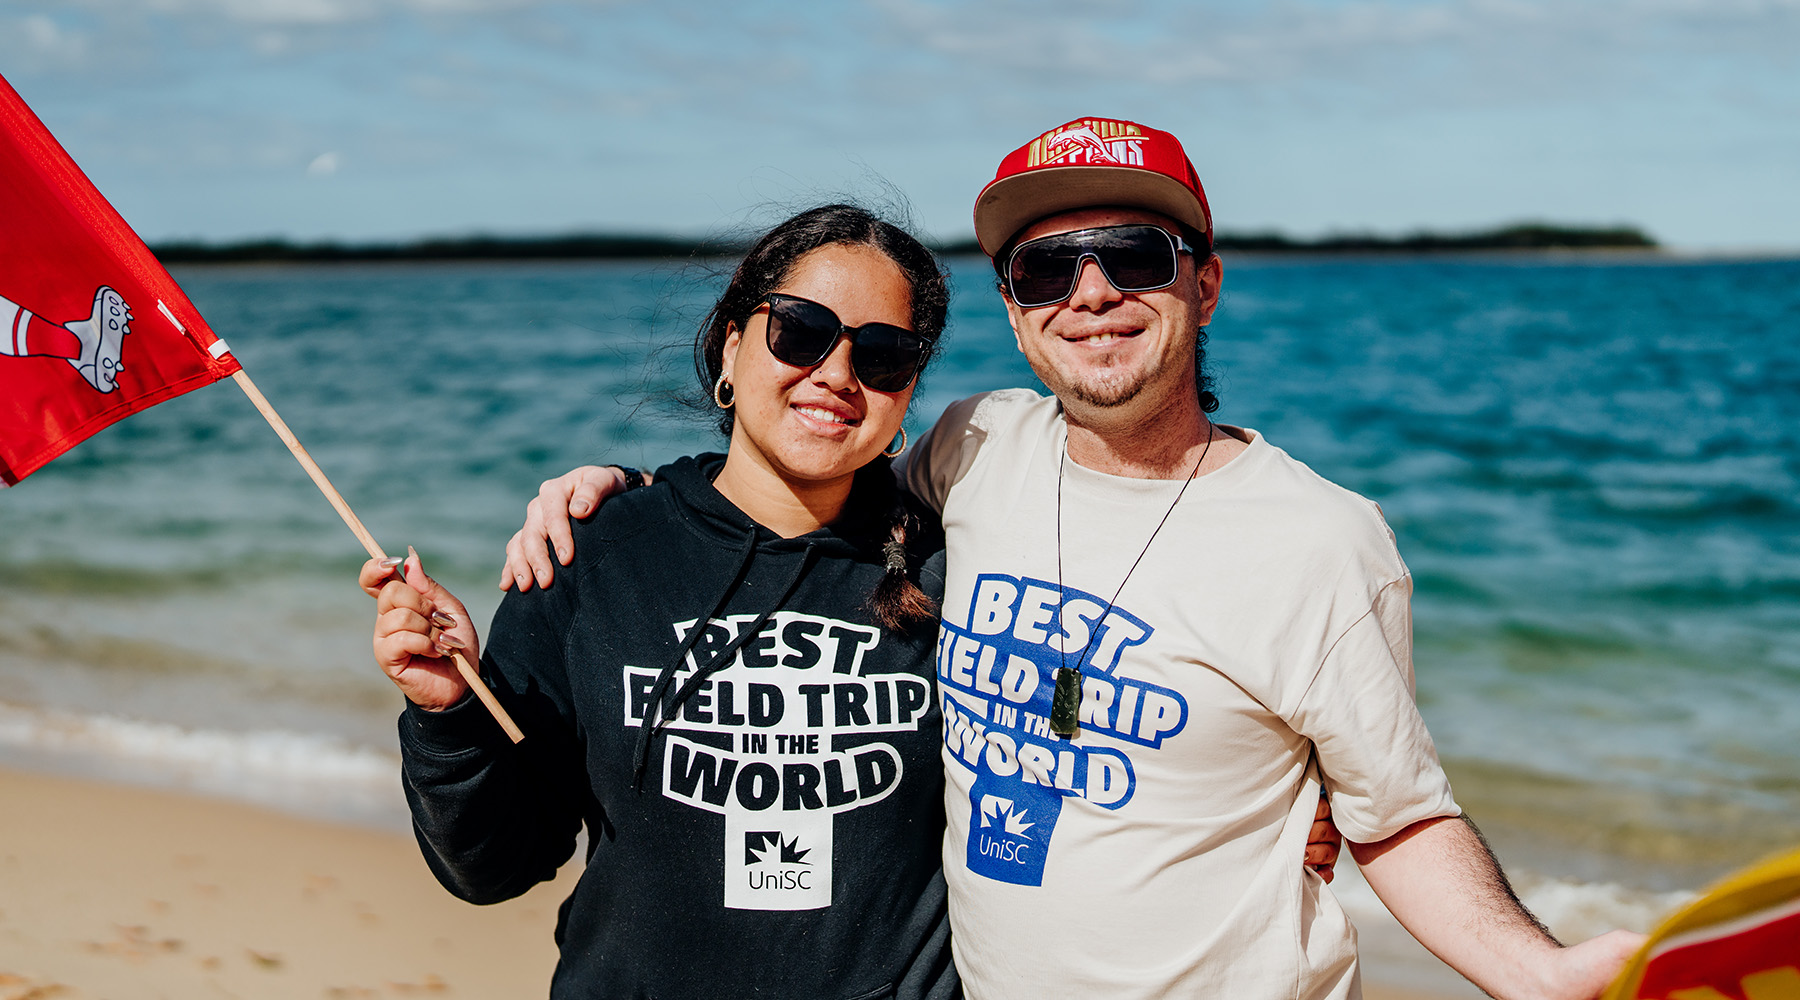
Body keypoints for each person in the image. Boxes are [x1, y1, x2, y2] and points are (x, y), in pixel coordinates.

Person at [501, 119, 1646, 999]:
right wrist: (631, 496)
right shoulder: (974, 449)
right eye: (1047, 270)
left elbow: (1397, 814)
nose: (1090, 293)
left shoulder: (1321, 541)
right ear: (1014, 312)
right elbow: (792, 493)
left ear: (1204, 279)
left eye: (1132, 254)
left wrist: (1534, 972)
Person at [359, 205, 961, 998]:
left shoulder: (960, 562)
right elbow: (493, 868)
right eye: (801, 332)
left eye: (883, 353)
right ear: (732, 345)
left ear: (908, 388)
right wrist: (449, 711)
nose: (838, 375)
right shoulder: (592, 552)